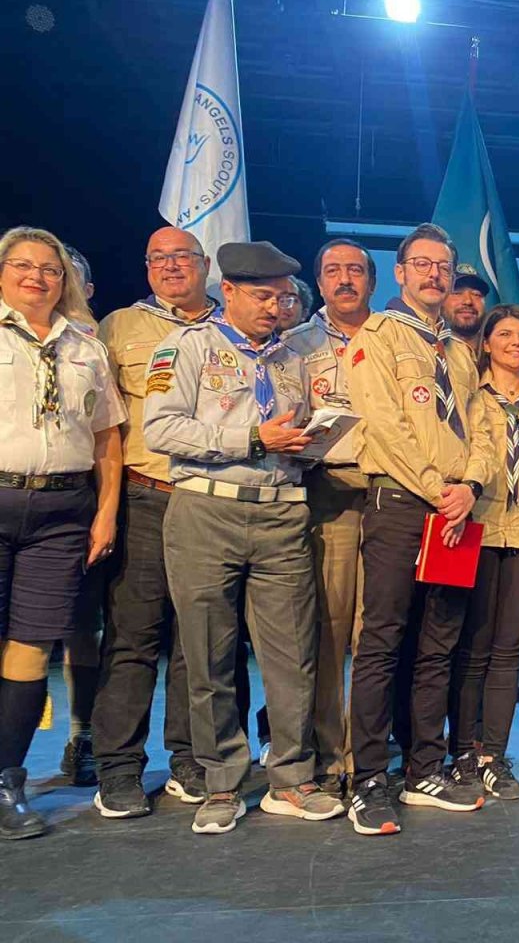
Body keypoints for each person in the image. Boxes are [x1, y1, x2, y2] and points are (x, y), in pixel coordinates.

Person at [144, 240, 344, 834]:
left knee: (292, 656)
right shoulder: (186, 347)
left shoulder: (291, 358)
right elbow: (162, 428)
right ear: (226, 290)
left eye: (282, 297)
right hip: (207, 508)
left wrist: (311, 441)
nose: (275, 308)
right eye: (262, 296)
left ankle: (291, 777)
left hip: (282, 511)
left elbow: (293, 431)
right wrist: (255, 439)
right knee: (208, 655)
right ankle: (220, 783)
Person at [344, 222, 495, 835]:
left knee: (439, 645)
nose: (434, 275)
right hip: (403, 506)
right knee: (382, 641)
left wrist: (472, 487)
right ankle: (370, 778)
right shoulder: (378, 337)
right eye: (422, 265)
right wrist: (440, 491)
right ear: (400, 272)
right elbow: (382, 427)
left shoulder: (458, 351)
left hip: (456, 512)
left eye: (443, 266)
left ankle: (424, 767)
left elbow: (482, 427)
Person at [0, 226, 124, 840]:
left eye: (50, 269)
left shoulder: (87, 347)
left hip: (63, 511)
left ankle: (8, 781)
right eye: (22, 265)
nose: (37, 277)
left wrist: (105, 513)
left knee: (32, 648)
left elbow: (107, 440)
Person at [91, 227, 218, 819]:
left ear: (205, 264)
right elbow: (103, 429)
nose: (171, 267)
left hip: (213, 502)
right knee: (132, 638)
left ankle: (189, 759)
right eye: (158, 258)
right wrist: (106, 507)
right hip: (145, 496)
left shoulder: (231, 327)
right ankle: (117, 767)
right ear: (146, 267)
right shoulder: (119, 327)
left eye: (182, 257)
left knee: (200, 643)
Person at [448, 306, 519, 800]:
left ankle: (494, 755)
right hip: (477, 530)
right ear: (488, 343)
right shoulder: (469, 398)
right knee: (471, 649)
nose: (516, 343)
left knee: (507, 651)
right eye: (505, 334)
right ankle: (462, 753)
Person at [278, 237, 377, 795]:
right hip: (327, 493)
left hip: (389, 493)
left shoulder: (394, 338)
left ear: (372, 281)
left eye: (356, 271)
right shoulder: (294, 343)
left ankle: (368, 750)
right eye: (334, 270)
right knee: (329, 632)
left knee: (377, 633)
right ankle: (330, 752)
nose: (345, 279)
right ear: (319, 281)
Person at [57, 244, 104, 786]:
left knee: (82, 628)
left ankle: (81, 735)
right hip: (24, 498)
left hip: (92, 502)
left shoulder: (98, 346)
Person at [442, 263, 489, 362]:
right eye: (457, 293)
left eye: (476, 294)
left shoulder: (500, 357)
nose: (468, 301)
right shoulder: (428, 351)